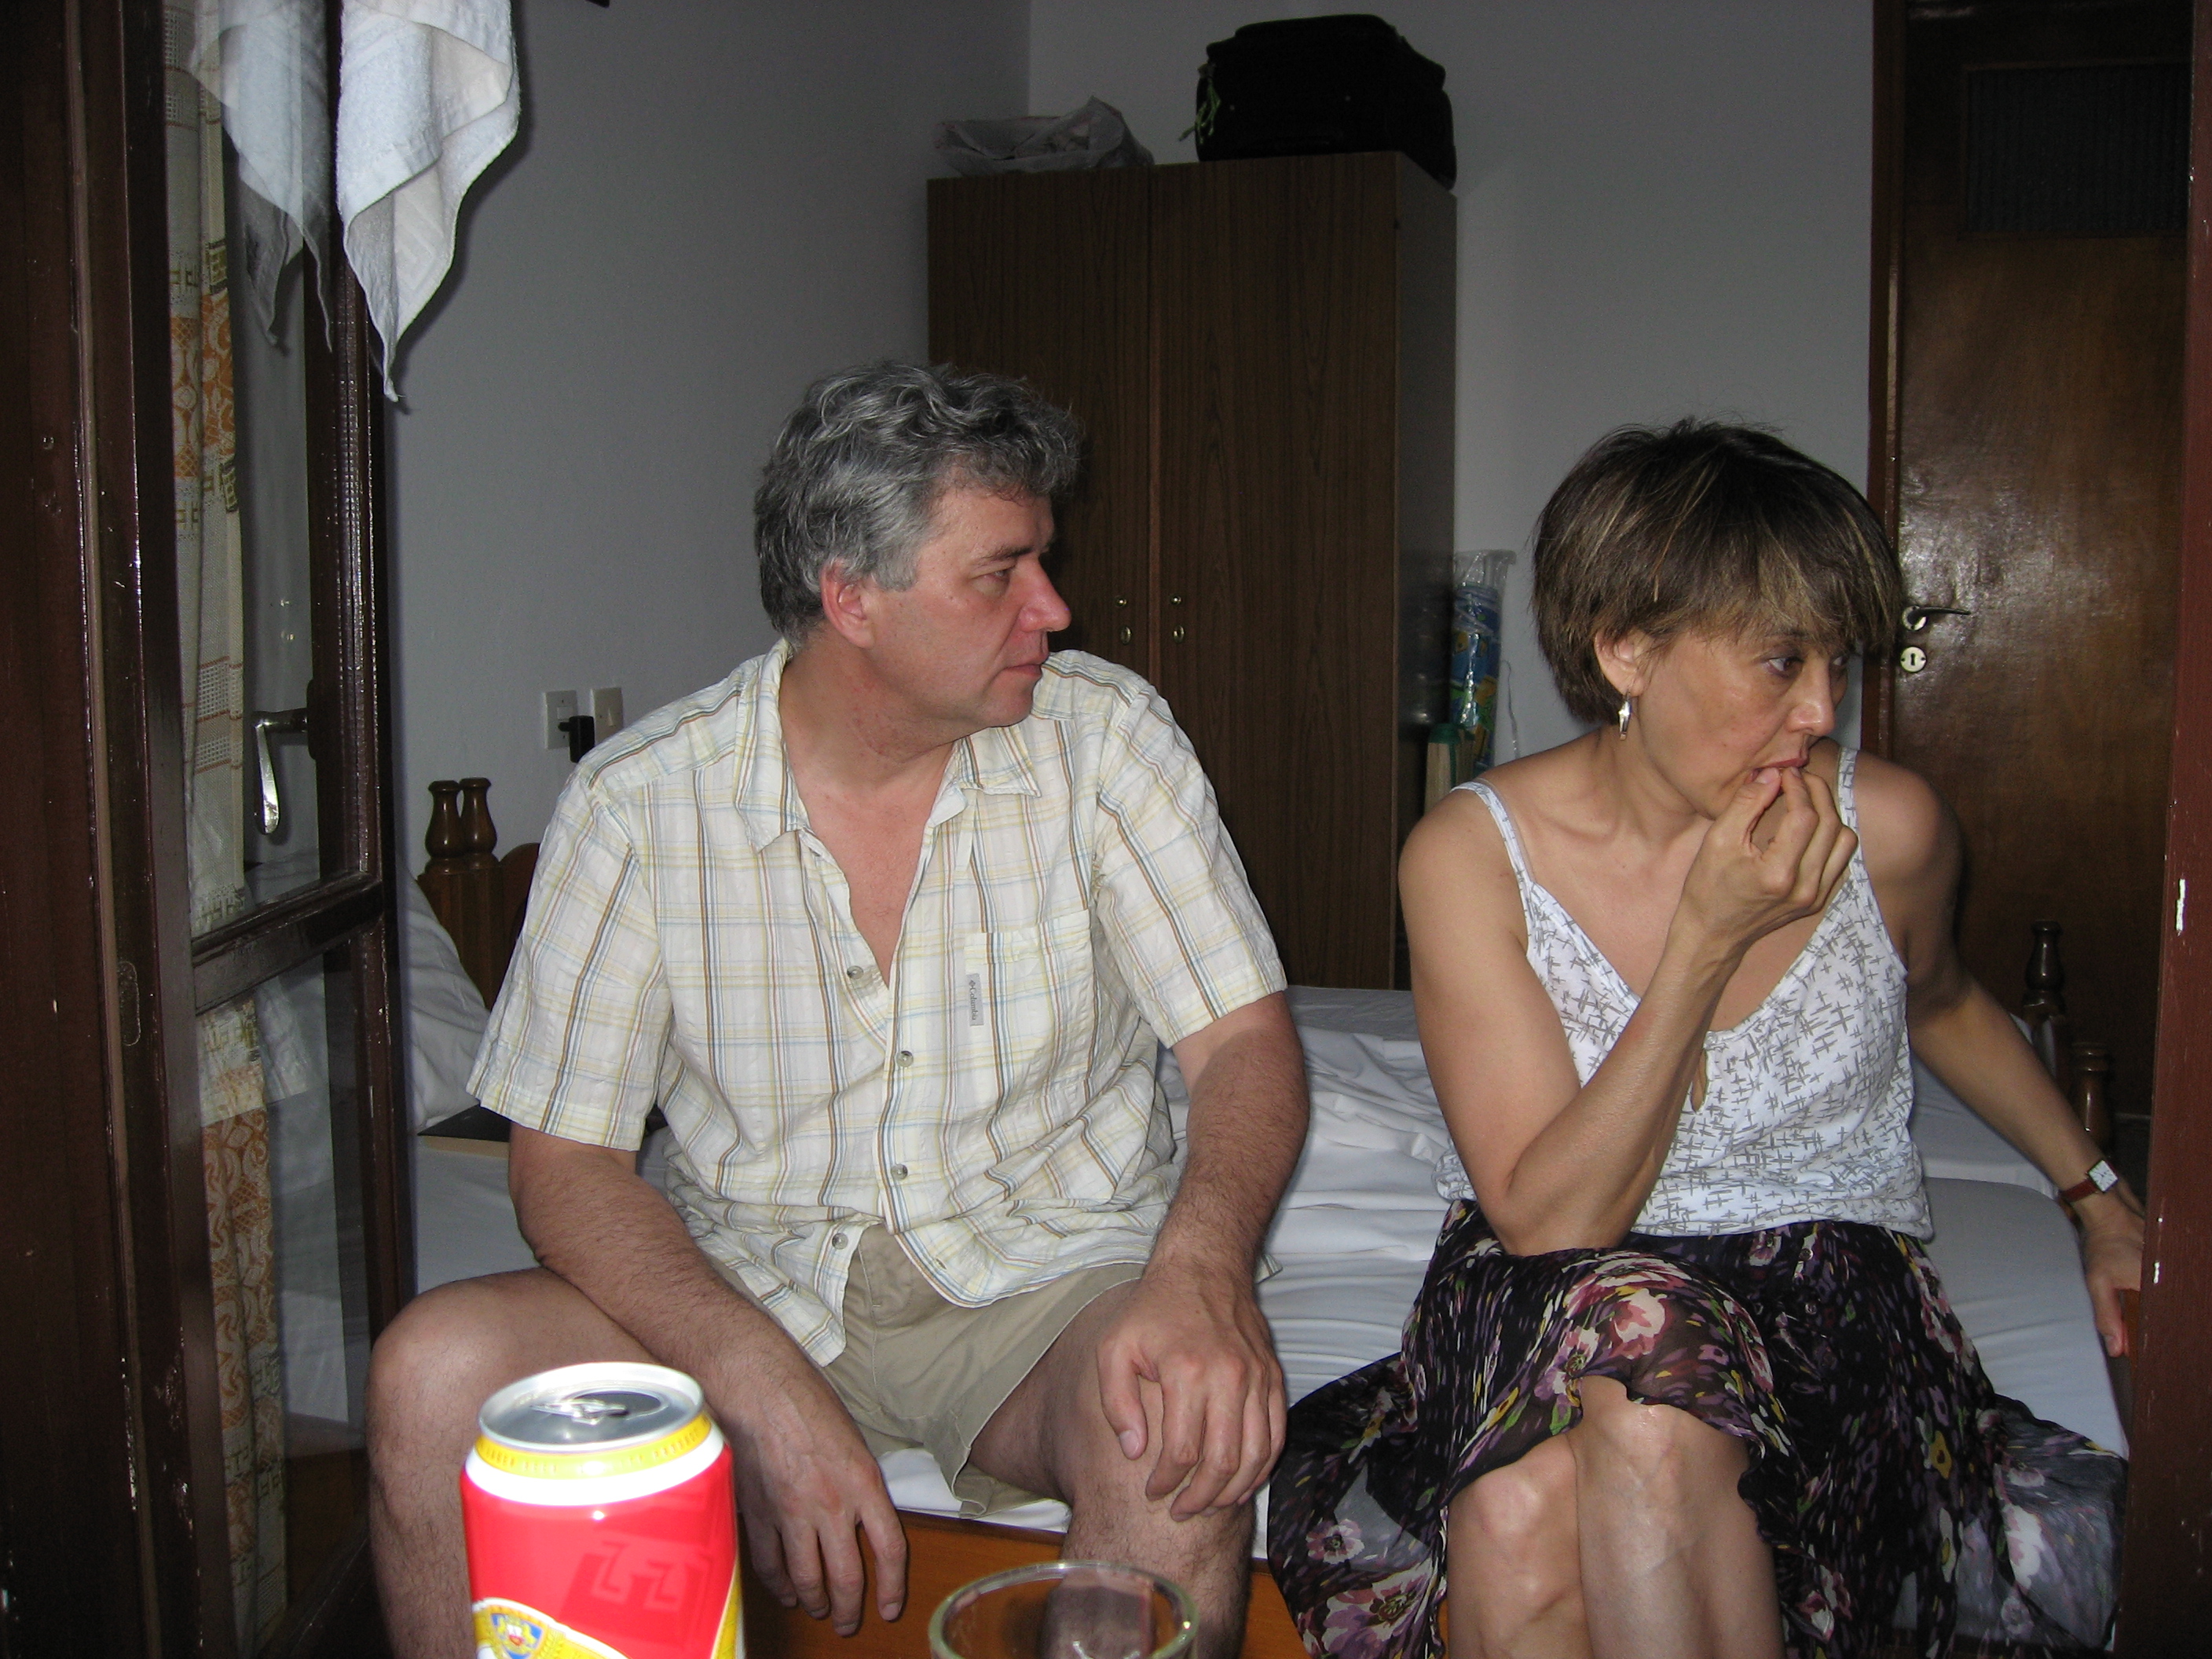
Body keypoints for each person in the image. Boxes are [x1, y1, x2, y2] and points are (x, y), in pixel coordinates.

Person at [367, 362, 1309, 1659]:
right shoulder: (641, 810)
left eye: (1041, 563)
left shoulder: (1105, 742)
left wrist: (1201, 1274)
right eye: (1002, 573)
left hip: (1041, 1281)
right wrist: (749, 1371)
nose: (1054, 606)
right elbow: (564, 1164)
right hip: (746, 1281)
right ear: (851, 597)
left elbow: (1242, 1041)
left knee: (1179, 1436)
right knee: (429, 1373)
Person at [1267, 422, 2141, 1659]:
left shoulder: (1887, 827)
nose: (1822, 710)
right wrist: (1705, 945)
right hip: (1556, 1284)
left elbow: (1942, 1001)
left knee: (1517, 1512)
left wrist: (2097, 1197)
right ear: (1624, 647)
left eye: (1838, 661)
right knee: (1639, 1374)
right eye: (1781, 661)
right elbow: (1549, 1222)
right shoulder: (1471, 856)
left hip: (1818, 1288)